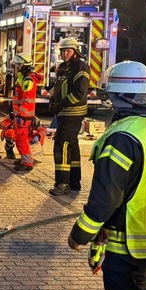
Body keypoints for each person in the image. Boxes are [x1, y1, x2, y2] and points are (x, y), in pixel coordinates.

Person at [67, 61, 146, 290]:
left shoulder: (122, 138)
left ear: (123, 96)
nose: (110, 103)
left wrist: (80, 235)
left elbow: (105, 199)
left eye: (111, 97)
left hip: (128, 246)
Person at [48, 37, 90, 195]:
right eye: (63, 51)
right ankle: (74, 181)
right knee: (71, 145)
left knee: (62, 145)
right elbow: (58, 87)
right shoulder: (63, 68)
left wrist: (61, 104)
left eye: (68, 51)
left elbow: (79, 93)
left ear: (75, 52)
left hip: (73, 113)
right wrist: (52, 100)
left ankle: (63, 183)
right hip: (64, 113)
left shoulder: (81, 67)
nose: (65, 54)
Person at [10, 53, 43, 172]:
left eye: (19, 65)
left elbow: (26, 99)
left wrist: (21, 114)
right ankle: (24, 159)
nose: (17, 67)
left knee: (22, 139)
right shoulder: (23, 78)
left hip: (24, 116)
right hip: (21, 114)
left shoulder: (28, 80)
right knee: (20, 139)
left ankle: (27, 163)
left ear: (25, 66)